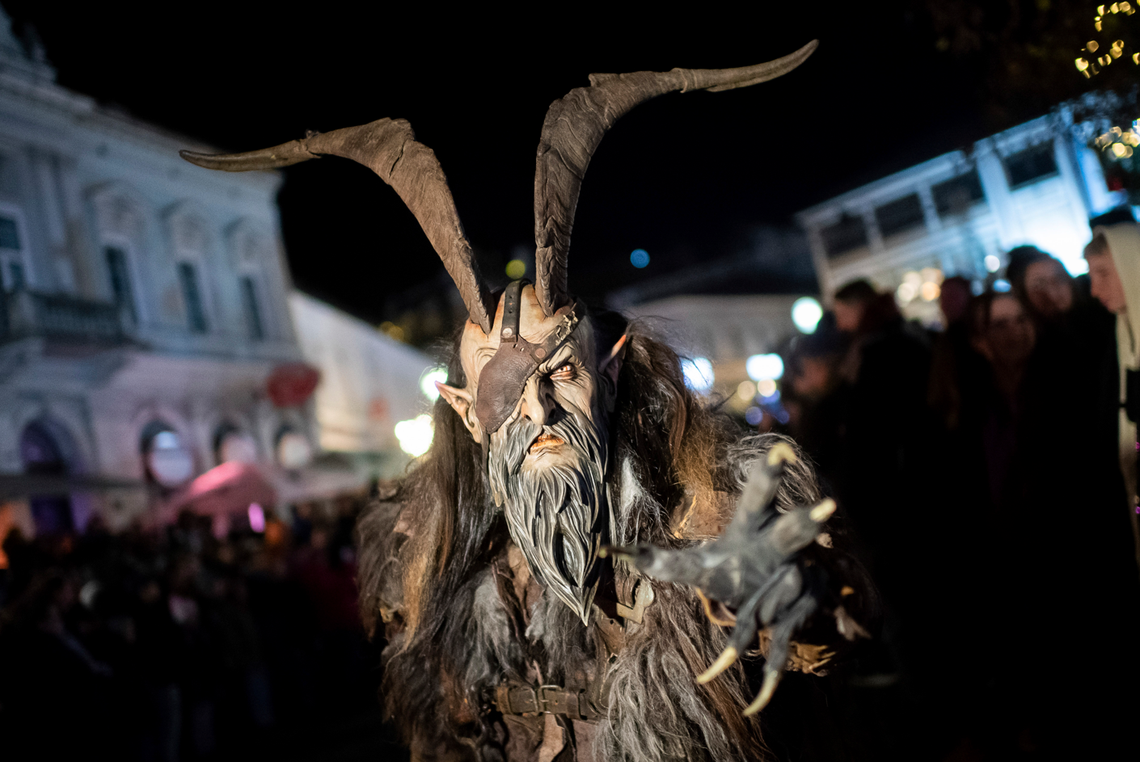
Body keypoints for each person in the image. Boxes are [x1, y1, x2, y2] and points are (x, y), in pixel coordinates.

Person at [181, 44, 878, 762]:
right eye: (505, 393)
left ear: (608, 376)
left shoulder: (711, 504)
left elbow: (824, 624)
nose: (539, 413)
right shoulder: (428, 559)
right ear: (463, 410)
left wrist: (785, 591)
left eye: (561, 375)